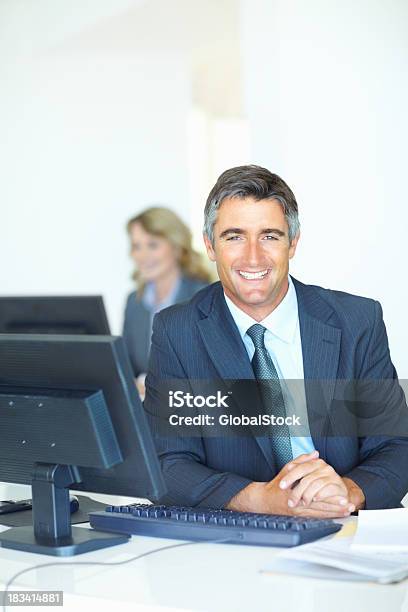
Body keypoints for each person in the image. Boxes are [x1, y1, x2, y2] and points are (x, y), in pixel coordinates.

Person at [144, 165, 408, 517]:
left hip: (343, 526)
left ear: (293, 243)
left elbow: (396, 446)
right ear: (209, 245)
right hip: (236, 536)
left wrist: (348, 490)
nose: (253, 257)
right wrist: (259, 499)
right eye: (234, 236)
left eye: (270, 236)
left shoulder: (357, 321)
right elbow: (166, 462)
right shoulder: (178, 331)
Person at [123, 206, 212, 398]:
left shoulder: (204, 298)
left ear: (177, 247)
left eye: (152, 245)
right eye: (136, 246)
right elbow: (127, 367)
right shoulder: (134, 302)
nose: (142, 256)